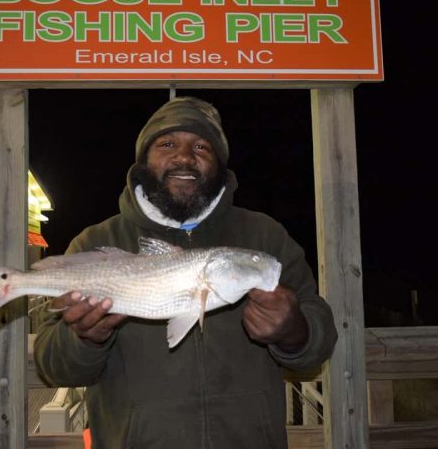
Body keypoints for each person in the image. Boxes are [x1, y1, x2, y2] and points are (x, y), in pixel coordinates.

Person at [34, 96, 337, 449]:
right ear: (144, 160)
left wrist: (294, 331)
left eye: (201, 147)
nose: (183, 157)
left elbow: (320, 336)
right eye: (166, 144)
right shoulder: (96, 243)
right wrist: (84, 339)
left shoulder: (264, 237)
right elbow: (53, 366)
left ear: (220, 166)